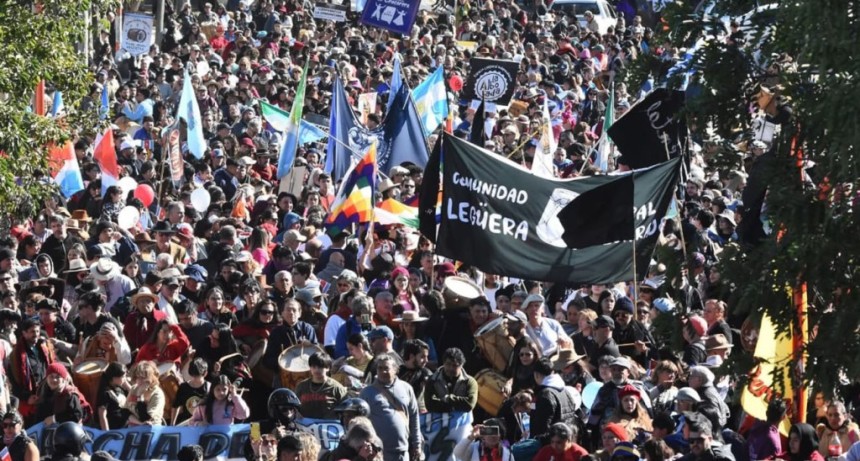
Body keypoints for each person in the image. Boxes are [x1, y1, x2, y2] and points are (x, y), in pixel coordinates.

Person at [359, 353, 422, 461]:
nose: (383, 371)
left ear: (395, 370)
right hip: (378, 453)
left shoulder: (406, 388)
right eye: (380, 368)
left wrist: (417, 445)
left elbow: (414, 417)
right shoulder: (367, 392)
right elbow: (361, 422)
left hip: (402, 452)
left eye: (386, 368)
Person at [8, 317, 58, 423]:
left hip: (48, 394)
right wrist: (27, 397)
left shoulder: (44, 347)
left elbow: (53, 366)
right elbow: (13, 382)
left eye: (37, 331)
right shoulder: (16, 356)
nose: (36, 334)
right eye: (32, 332)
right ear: (24, 333)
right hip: (31, 401)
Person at [531, 357, 580, 443]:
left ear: (536, 375)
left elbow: (541, 428)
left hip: (552, 445)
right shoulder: (566, 391)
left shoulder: (545, 394)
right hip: (567, 442)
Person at [294, 351, 348, 419]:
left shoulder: (337, 388)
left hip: (329, 424)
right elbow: (295, 406)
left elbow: (345, 409)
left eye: (320, 367)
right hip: (305, 423)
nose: (316, 370)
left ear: (328, 368)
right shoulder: (301, 386)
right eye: (313, 367)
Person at [425, 347, 478, 413]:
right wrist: (456, 404)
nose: (451, 368)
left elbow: (470, 404)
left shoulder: (470, 382)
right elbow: (430, 405)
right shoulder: (432, 380)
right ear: (443, 363)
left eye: (455, 365)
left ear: (461, 365)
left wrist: (447, 399)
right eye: (448, 364)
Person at [397, 339, 432, 414]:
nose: (426, 360)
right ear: (412, 356)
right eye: (422, 357)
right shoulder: (396, 373)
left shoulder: (426, 375)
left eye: (427, 357)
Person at [125, 360, 165, 426]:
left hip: (150, 428)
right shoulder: (134, 388)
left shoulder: (157, 394)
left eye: (143, 378)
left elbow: (145, 418)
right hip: (133, 426)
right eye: (138, 377)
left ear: (151, 378)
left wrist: (139, 396)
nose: (139, 381)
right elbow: (125, 411)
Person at [171, 358, 209, 425]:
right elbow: (176, 406)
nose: (194, 378)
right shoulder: (184, 387)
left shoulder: (209, 388)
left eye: (197, 376)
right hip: (187, 423)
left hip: (203, 424)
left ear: (205, 373)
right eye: (193, 375)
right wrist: (172, 424)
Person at [95, 362, 131, 430]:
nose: (125, 378)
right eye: (123, 376)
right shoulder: (105, 393)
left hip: (127, 420)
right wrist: (107, 433)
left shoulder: (119, 385)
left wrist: (126, 384)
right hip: (116, 427)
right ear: (114, 378)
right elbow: (102, 416)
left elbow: (133, 394)